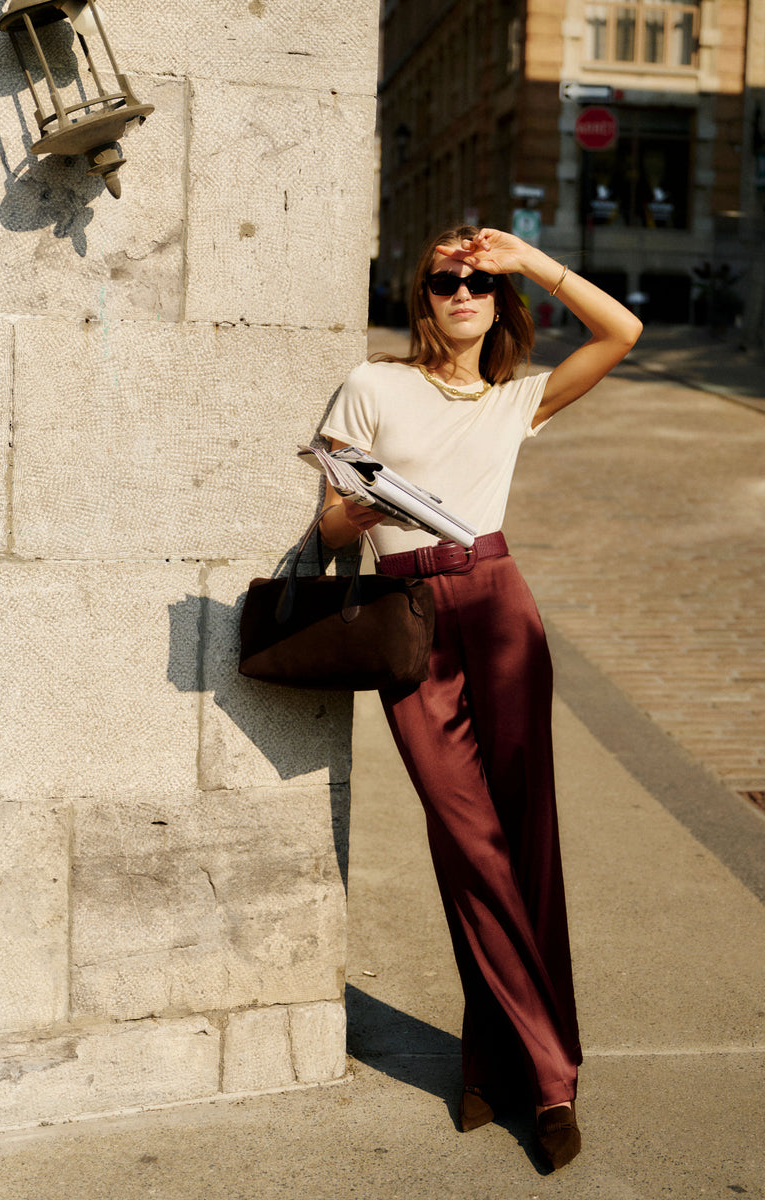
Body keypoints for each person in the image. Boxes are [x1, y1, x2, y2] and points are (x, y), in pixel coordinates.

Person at [318, 225, 642, 1170]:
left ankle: (511, 1072)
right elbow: (333, 521)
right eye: (443, 281)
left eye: (475, 282)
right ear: (422, 300)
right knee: (467, 843)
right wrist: (363, 508)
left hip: (500, 611)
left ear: (498, 306)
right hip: (409, 614)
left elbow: (621, 331)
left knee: (525, 840)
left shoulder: (515, 401)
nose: (460, 291)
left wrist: (532, 261)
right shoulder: (372, 386)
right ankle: (542, 1070)